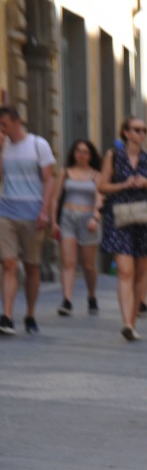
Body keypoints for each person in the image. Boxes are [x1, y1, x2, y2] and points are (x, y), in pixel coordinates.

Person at [97, 116, 147, 341]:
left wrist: (146, 183)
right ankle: (127, 322)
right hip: (119, 217)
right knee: (126, 271)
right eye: (137, 129)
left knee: (140, 272)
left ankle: (132, 323)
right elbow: (102, 186)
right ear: (125, 132)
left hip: (144, 218)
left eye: (144, 130)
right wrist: (123, 184)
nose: (141, 134)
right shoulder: (113, 156)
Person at [0, 106, 56, 335]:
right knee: (8, 264)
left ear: (17, 122)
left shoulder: (38, 145)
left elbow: (49, 180)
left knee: (32, 265)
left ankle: (30, 314)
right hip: (6, 212)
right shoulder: (3, 146)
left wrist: (44, 211)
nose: (1, 128)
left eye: (4, 124)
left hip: (33, 213)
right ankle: (7, 316)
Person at [51, 139, 103, 317]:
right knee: (68, 262)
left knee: (88, 265)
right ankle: (67, 300)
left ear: (90, 155)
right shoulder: (65, 173)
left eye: (85, 152)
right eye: (78, 151)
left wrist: (95, 217)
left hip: (88, 220)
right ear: (73, 153)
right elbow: (55, 199)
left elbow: (99, 199)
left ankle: (92, 295)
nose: (81, 155)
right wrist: (54, 221)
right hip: (67, 218)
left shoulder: (96, 175)